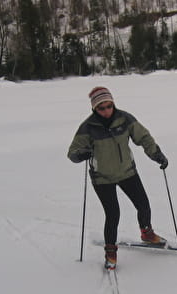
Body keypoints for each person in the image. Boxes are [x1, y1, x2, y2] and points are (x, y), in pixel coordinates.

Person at [68, 86, 168, 269]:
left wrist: (156, 154)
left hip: (126, 172)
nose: (106, 111)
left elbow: (143, 137)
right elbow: (72, 152)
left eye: (109, 106)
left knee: (143, 204)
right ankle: (110, 253)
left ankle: (147, 233)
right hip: (102, 178)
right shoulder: (88, 127)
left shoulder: (125, 119)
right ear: (94, 108)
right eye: (101, 108)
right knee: (113, 214)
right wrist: (79, 155)